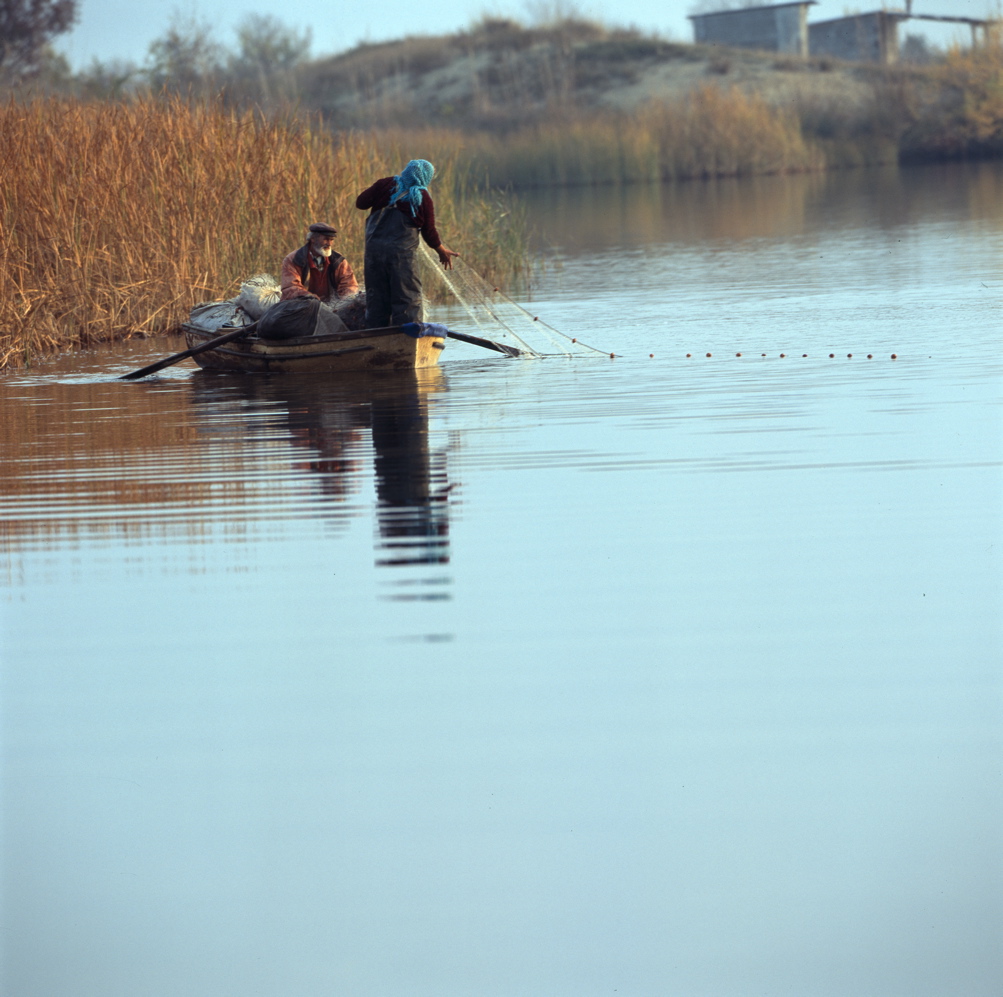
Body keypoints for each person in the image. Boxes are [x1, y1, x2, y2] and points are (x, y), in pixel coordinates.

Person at [355, 159, 459, 328]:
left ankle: (377, 336)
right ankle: (408, 335)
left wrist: (380, 193)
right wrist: (441, 250)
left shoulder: (385, 184)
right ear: (425, 177)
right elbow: (429, 231)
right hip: (401, 257)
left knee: (376, 298)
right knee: (407, 297)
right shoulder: (422, 197)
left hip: (374, 254)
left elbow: (360, 203)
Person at [280, 222, 359, 303]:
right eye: (326, 239)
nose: (329, 243)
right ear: (313, 239)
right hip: (300, 305)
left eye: (331, 240)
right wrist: (309, 297)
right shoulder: (294, 259)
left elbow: (349, 285)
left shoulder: (338, 260)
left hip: (332, 306)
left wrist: (346, 301)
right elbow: (291, 288)